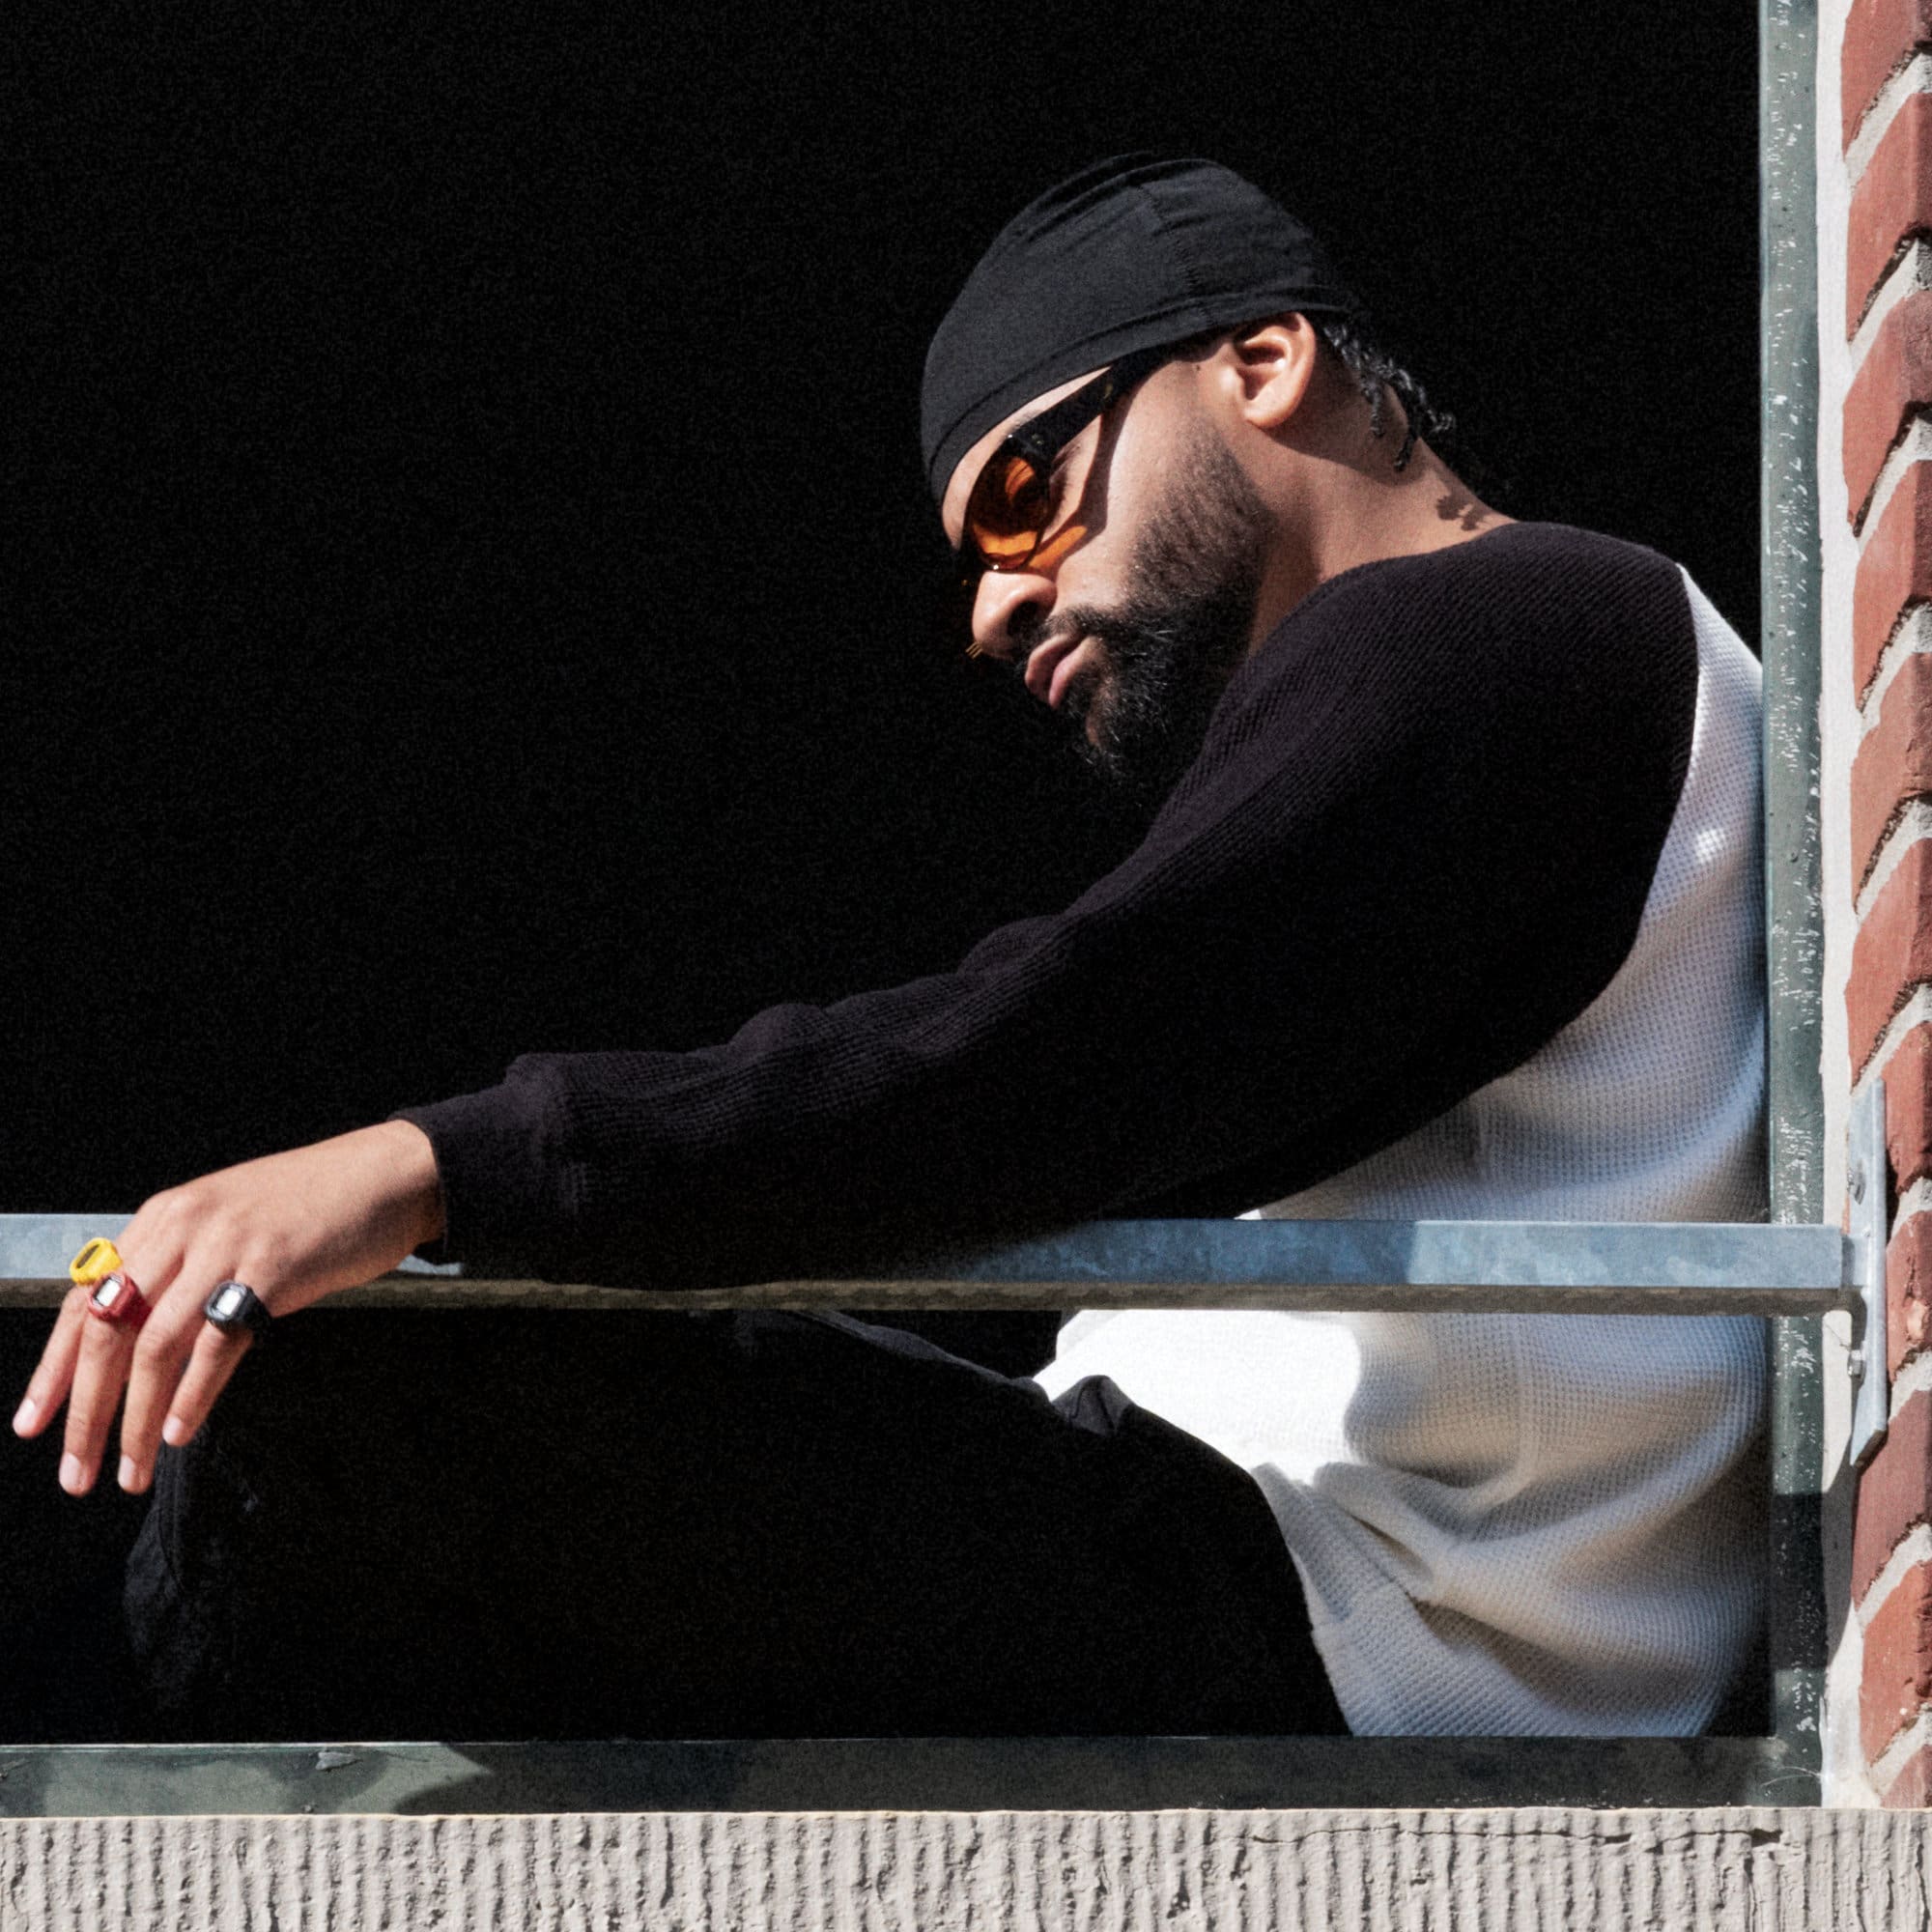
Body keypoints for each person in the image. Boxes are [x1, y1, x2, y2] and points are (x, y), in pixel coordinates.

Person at [13, 155, 1766, 1742]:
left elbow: (1053, 1058)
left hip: (1352, 1613)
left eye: (1026, 494)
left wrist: (434, 1165)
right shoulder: (1513, 680)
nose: (997, 603)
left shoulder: (1511, 626)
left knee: (352, 1362)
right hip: (1286, 1577)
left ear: (1260, 363)